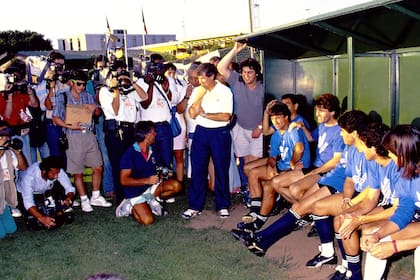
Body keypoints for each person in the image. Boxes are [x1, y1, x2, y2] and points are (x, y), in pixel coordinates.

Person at [237, 93, 344, 232]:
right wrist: (304, 127)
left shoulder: (338, 131)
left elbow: (334, 161)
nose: (317, 113)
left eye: (321, 110)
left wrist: (307, 169)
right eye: (317, 110)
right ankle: (259, 219)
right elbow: (311, 138)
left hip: (324, 171)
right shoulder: (323, 125)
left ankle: (311, 214)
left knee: (283, 185)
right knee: (273, 184)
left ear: (333, 112)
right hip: (315, 167)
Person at [237, 100, 311, 228]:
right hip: (282, 167)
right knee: (254, 173)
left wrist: (292, 163)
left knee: (270, 185)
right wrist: (272, 166)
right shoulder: (276, 134)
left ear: (286, 117)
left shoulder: (293, 129)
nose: (275, 122)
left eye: (278, 119)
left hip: (299, 169)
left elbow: (299, 149)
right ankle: (254, 212)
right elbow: (272, 156)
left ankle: (260, 220)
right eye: (273, 119)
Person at [359, 125, 420, 280]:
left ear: (406, 151)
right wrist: (378, 234)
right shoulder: (408, 172)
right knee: (378, 243)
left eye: (393, 154)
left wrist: (395, 247)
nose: (390, 158)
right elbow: (404, 210)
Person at [53, 70, 111, 212]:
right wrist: (68, 125)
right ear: (71, 83)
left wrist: (95, 108)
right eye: (79, 84)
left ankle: (96, 196)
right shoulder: (63, 97)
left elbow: (97, 113)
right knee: (77, 171)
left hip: (89, 134)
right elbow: (55, 118)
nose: (82, 87)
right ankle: (84, 199)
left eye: (84, 84)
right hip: (73, 136)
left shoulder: (88, 96)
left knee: (98, 166)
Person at [182, 63, 233, 219]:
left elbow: (226, 116)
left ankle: (223, 205)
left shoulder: (225, 91)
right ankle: (195, 206)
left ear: (212, 76)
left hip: (220, 132)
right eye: (199, 79)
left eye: (203, 79)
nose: (200, 81)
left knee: (221, 169)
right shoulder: (198, 90)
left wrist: (205, 115)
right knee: (198, 170)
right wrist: (201, 95)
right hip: (201, 132)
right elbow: (192, 113)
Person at [99, 60, 147, 203]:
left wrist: (131, 82)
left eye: (123, 76)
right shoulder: (105, 91)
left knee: (131, 163)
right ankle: (121, 199)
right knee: (118, 165)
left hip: (131, 129)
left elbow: (144, 97)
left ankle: (132, 195)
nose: (121, 79)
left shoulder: (130, 91)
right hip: (116, 130)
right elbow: (114, 110)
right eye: (118, 77)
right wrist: (116, 91)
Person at [116, 121, 182, 225]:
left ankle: (151, 200)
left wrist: (164, 173)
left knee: (176, 185)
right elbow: (124, 180)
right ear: (147, 135)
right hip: (135, 192)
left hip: (150, 187)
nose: (156, 134)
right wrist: (147, 180)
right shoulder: (129, 154)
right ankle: (129, 206)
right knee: (147, 220)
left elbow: (159, 168)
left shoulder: (153, 151)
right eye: (153, 132)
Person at [217, 42, 264, 174]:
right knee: (246, 163)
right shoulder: (237, 81)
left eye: (250, 72)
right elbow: (221, 67)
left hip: (257, 130)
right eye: (244, 72)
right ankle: (249, 190)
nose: (246, 75)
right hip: (240, 128)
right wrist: (235, 50)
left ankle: (253, 192)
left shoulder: (263, 87)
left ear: (257, 73)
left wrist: (260, 127)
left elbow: (269, 111)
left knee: (254, 164)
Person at [136, 54, 177, 169]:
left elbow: (175, 99)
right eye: (155, 65)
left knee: (166, 160)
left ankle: (166, 183)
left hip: (164, 127)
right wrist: (151, 84)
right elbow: (145, 104)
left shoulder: (168, 80)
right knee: (151, 161)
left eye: (160, 65)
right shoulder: (141, 82)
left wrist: (167, 89)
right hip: (148, 128)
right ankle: (153, 184)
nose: (158, 68)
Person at [17, 156, 75, 231]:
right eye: (54, 173)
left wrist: (68, 198)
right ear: (44, 171)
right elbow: (28, 202)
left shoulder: (56, 170)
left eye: (57, 173)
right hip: (25, 194)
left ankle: (59, 208)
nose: (56, 176)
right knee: (35, 225)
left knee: (64, 218)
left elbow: (69, 188)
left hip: (47, 191)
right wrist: (41, 218)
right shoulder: (29, 177)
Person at [0, 64, 39, 166]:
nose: (16, 82)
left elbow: (34, 105)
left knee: (27, 162)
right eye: (14, 78)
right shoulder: (2, 94)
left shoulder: (21, 92)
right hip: (10, 133)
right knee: (14, 164)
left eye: (18, 78)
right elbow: (6, 116)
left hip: (24, 131)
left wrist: (30, 93)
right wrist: (10, 96)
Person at [37, 51, 69, 161]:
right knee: (57, 156)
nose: (60, 69)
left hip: (66, 122)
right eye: (57, 66)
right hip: (52, 123)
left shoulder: (65, 82)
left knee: (67, 157)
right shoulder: (42, 84)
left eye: (62, 65)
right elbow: (47, 106)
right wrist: (51, 86)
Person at [0, 120, 27, 238]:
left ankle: (4, 210)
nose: (6, 138)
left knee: (11, 229)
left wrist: (18, 152)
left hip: (3, 195)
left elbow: (22, 167)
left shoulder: (9, 153)